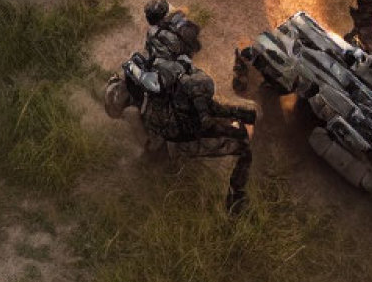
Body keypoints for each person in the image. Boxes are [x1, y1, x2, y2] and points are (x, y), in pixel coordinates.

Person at [106, 54, 258, 214]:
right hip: (183, 141)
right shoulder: (144, 106)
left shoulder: (145, 100)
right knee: (243, 149)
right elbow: (155, 145)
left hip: (183, 132)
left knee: (229, 130)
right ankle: (236, 204)